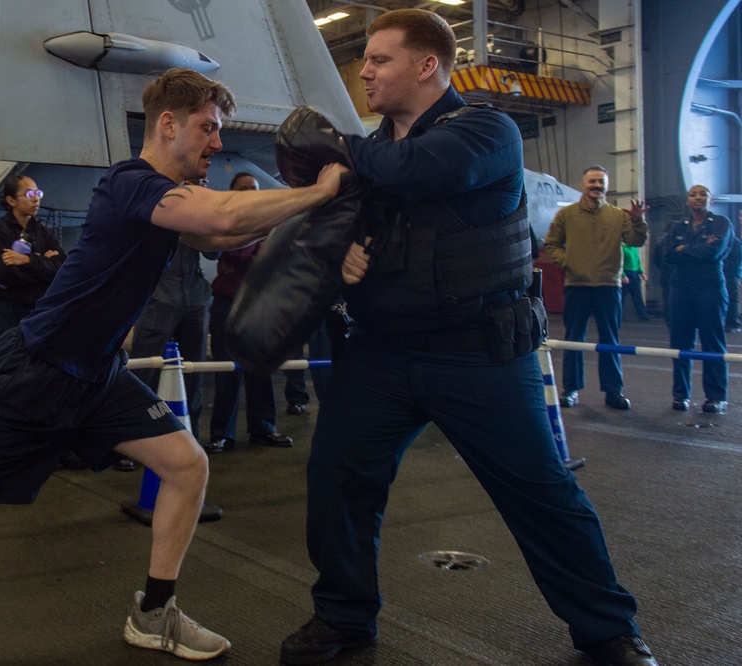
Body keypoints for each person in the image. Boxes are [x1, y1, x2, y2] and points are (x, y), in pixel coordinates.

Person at [0, 67, 347, 666]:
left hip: (98, 375)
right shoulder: (133, 183)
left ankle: (154, 614)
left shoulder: (163, 200)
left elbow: (214, 238)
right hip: (37, 373)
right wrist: (321, 192)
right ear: (167, 124)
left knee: (186, 465)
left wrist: (300, 218)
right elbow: (221, 221)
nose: (216, 142)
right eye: (208, 129)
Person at [279, 10, 658, 666]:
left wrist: (331, 146)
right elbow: (329, 214)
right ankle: (342, 618)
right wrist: (343, 257)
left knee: (540, 493)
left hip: (477, 353)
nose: (364, 71)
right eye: (365, 59)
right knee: (336, 479)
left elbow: (414, 172)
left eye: (380, 60)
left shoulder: (484, 130)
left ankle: (609, 630)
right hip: (380, 351)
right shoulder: (372, 150)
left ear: (427, 66)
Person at [544, 166, 648, 410]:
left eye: (601, 182)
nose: (596, 185)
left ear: (606, 187)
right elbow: (552, 243)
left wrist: (638, 219)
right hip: (577, 286)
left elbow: (636, 240)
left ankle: (613, 392)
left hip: (608, 287)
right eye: (592, 181)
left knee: (610, 340)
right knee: (573, 339)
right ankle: (570, 389)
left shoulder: (618, 216)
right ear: (582, 185)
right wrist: (567, 262)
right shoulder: (566, 215)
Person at [205, 173, 293, 453]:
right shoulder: (223, 218)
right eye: (243, 189)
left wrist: (245, 251)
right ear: (231, 191)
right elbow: (225, 251)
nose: (249, 193)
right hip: (227, 302)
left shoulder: (269, 221)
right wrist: (256, 246)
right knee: (226, 370)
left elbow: (275, 259)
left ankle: (263, 427)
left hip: (259, 304)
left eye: (253, 189)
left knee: (260, 366)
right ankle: (222, 434)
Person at [128, 240, 212, 448]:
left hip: (194, 294)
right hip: (158, 292)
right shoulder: (153, 206)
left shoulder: (198, 208)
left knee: (193, 373)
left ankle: (189, 439)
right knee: (146, 374)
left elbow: (214, 253)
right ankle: (137, 441)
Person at [661, 184, 731, 413]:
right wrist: (697, 248)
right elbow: (667, 255)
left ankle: (716, 397)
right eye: (693, 195)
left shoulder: (721, 223)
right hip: (681, 289)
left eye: (703, 194)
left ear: (710, 200)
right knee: (680, 342)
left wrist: (684, 249)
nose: (698, 198)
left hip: (710, 289)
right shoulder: (678, 226)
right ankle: (680, 395)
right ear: (687, 201)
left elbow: (714, 253)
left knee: (712, 343)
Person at [0, 175, 65, 357]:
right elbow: (2, 274)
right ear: (11, 200)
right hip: (6, 311)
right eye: (29, 194)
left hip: (36, 310)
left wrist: (28, 260)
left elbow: (61, 270)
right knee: (2, 364)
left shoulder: (44, 232)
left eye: (37, 193)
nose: (36, 198)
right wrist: (43, 263)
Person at [621, 243, 650, 321]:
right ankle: (620, 315)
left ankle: (642, 314)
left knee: (638, 295)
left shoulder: (635, 248)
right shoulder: (622, 248)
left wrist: (642, 273)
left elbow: (637, 261)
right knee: (622, 296)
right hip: (626, 273)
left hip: (635, 273)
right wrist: (623, 275)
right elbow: (620, 263)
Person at [722, 219, 742, 333]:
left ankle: (733, 323)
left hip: (731, 275)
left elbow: (737, 260)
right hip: (729, 274)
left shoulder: (734, 242)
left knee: (732, 299)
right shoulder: (731, 241)